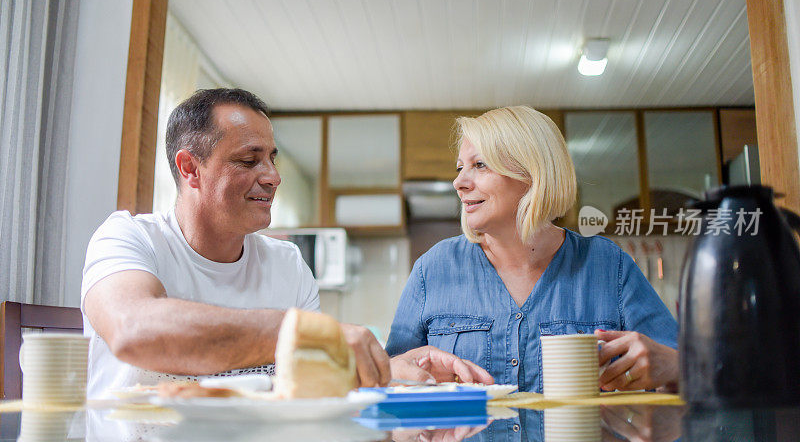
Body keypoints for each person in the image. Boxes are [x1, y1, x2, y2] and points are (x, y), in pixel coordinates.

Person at [81, 88, 392, 398]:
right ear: (190, 168)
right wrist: (300, 333)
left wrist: (387, 369)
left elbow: (314, 386)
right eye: (248, 160)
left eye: (272, 159)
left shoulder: (289, 265)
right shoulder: (128, 238)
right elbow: (132, 331)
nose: (273, 177)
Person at [386, 106, 679, 393]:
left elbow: (685, 368)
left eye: (480, 165)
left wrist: (675, 365)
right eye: (460, 167)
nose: (459, 182)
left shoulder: (608, 265)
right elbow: (387, 375)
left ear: (532, 173)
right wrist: (394, 372)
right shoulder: (432, 268)